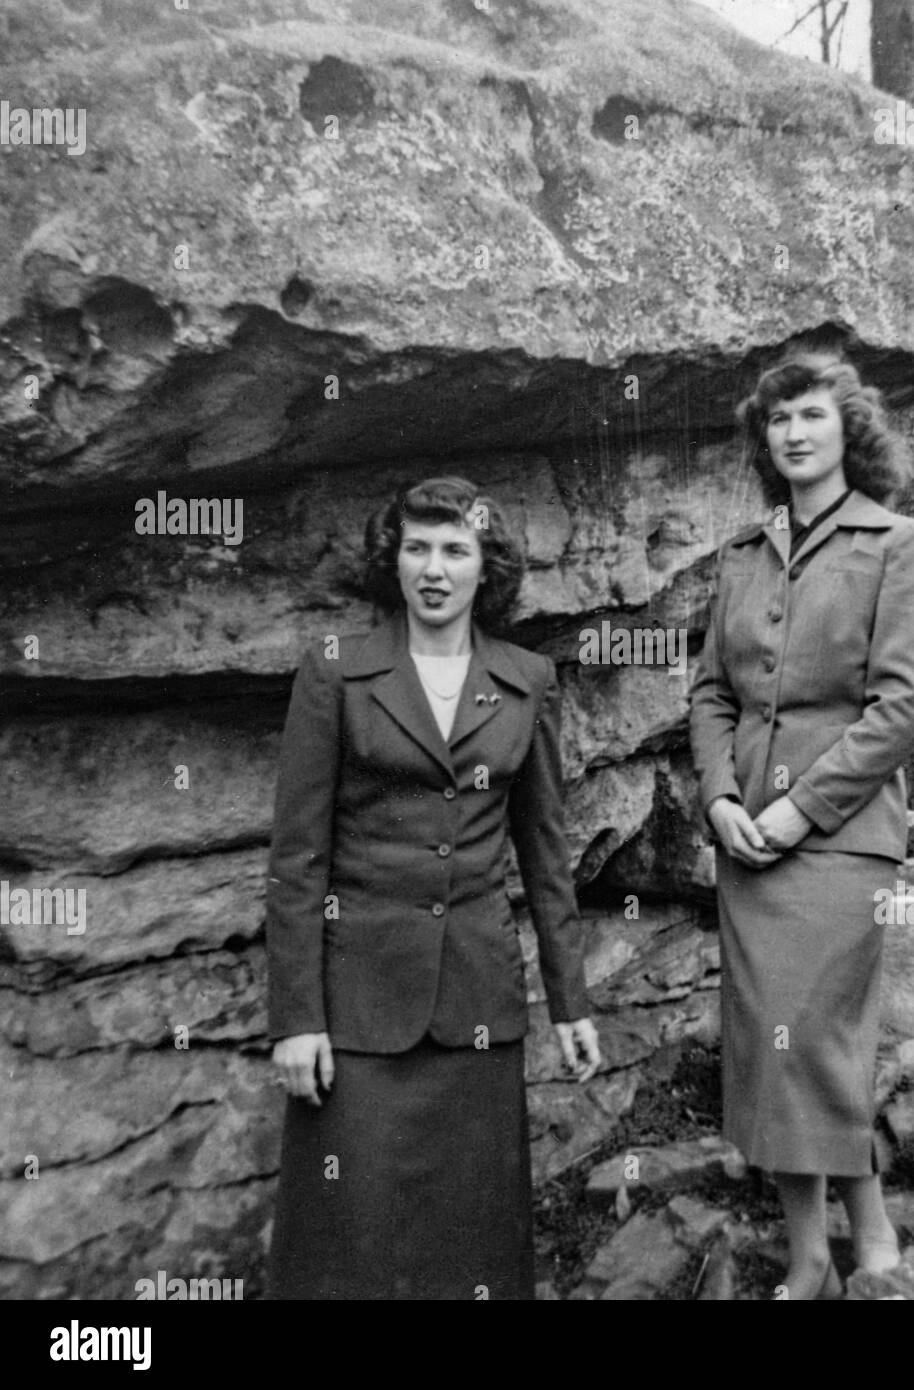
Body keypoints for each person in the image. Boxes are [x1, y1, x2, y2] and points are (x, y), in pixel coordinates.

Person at [265, 475, 601, 1300]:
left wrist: (570, 1002)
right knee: (349, 1235)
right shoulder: (336, 671)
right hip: (359, 1006)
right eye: (417, 548)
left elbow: (544, 855)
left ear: (485, 568)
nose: (434, 568)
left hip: (475, 1004)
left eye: (456, 550)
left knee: (471, 1237)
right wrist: (298, 1019)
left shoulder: (526, 680)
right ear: (395, 559)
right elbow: (297, 859)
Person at [689, 354, 914, 1299]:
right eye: (777, 421)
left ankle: (845, 1245)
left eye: (811, 415)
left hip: (839, 839)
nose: (793, 433)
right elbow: (710, 693)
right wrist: (721, 801)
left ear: (849, 430)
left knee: (812, 1032)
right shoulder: (741, 556)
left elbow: (904, 705)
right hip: (745, 838)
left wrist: (799, 808)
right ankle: (828, 1251)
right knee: (769, 1042)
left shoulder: (901, 542)